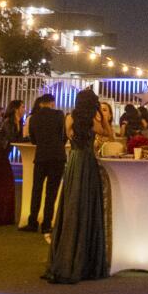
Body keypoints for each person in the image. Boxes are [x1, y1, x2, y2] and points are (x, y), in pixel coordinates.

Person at [45, 89, 111, 284]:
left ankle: (65, 253)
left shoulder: (70, 118)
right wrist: (102, 116)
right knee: (87, 206)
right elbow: (109, 134)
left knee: (71, 204)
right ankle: (84, 255)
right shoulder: (93, 121)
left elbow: (68, 136)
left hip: (74, 161)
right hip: (88, 163)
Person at [25, 93, 66, 233]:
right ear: (52, 103)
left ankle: (32, 222)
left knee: (36, 189)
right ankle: (47, 224)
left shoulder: (34, 118)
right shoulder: (60, 115)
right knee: (51, 192)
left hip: (41, 157)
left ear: (41, 103)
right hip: (57, 157)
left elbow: (33, 140)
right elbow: (64, 135)